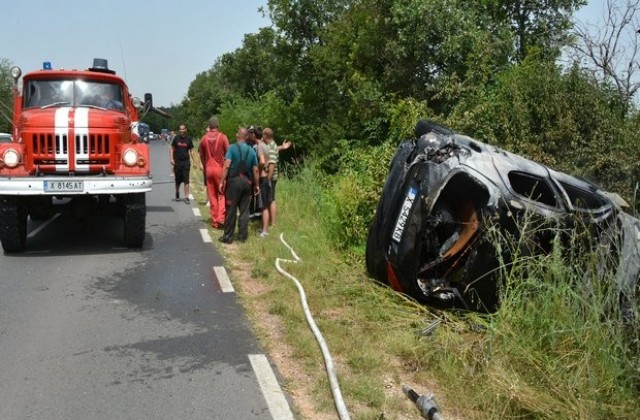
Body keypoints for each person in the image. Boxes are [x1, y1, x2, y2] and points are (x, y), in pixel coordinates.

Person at [219, 127, 259, 244]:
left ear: (238, 136)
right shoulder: (251, 151)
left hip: (233, 183)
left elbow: (227, 165)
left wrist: (222, 181)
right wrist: (257, 185)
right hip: (247, 183)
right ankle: (242, 237)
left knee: (231, 209)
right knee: (244, 211)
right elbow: (255, 170)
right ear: (246, 137)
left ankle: (228, 237)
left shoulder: (232, 148)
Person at [198, 117, 229, 229]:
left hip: (208, 169)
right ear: (218, 125)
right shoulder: (223, 137)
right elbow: (228, 154)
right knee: (221, 193)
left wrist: (204, 165)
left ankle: (215, 220)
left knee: (212, 195)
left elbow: (201, 154)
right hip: (220, 169)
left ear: (209, 126)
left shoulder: (203, 138)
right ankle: (221, 217)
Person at [263, 127, 292, 229]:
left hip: (271, 177)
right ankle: (271, 221)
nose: (262, 137)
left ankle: (273, 223)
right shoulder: (272, 145)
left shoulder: (271, 147)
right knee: (271, 198)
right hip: (272, 177)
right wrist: (282, 147)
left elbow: (272, 165)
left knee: (271, 199)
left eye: (263, 135)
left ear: (266, 136)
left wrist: (268, 179)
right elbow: (275, 149)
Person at [170, 124, 197, 204]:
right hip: (177, 163)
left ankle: (186, 197)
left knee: (186, 181)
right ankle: (177, 193)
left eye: (183, 129)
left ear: (185, 130)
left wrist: (195, 162)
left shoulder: (188, 139)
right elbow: (172, 148)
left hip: (186, 163)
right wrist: (171, 159)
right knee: (177, 180)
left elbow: (192, 151)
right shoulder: (176, 138)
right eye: (180, 129)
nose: (181, 131)